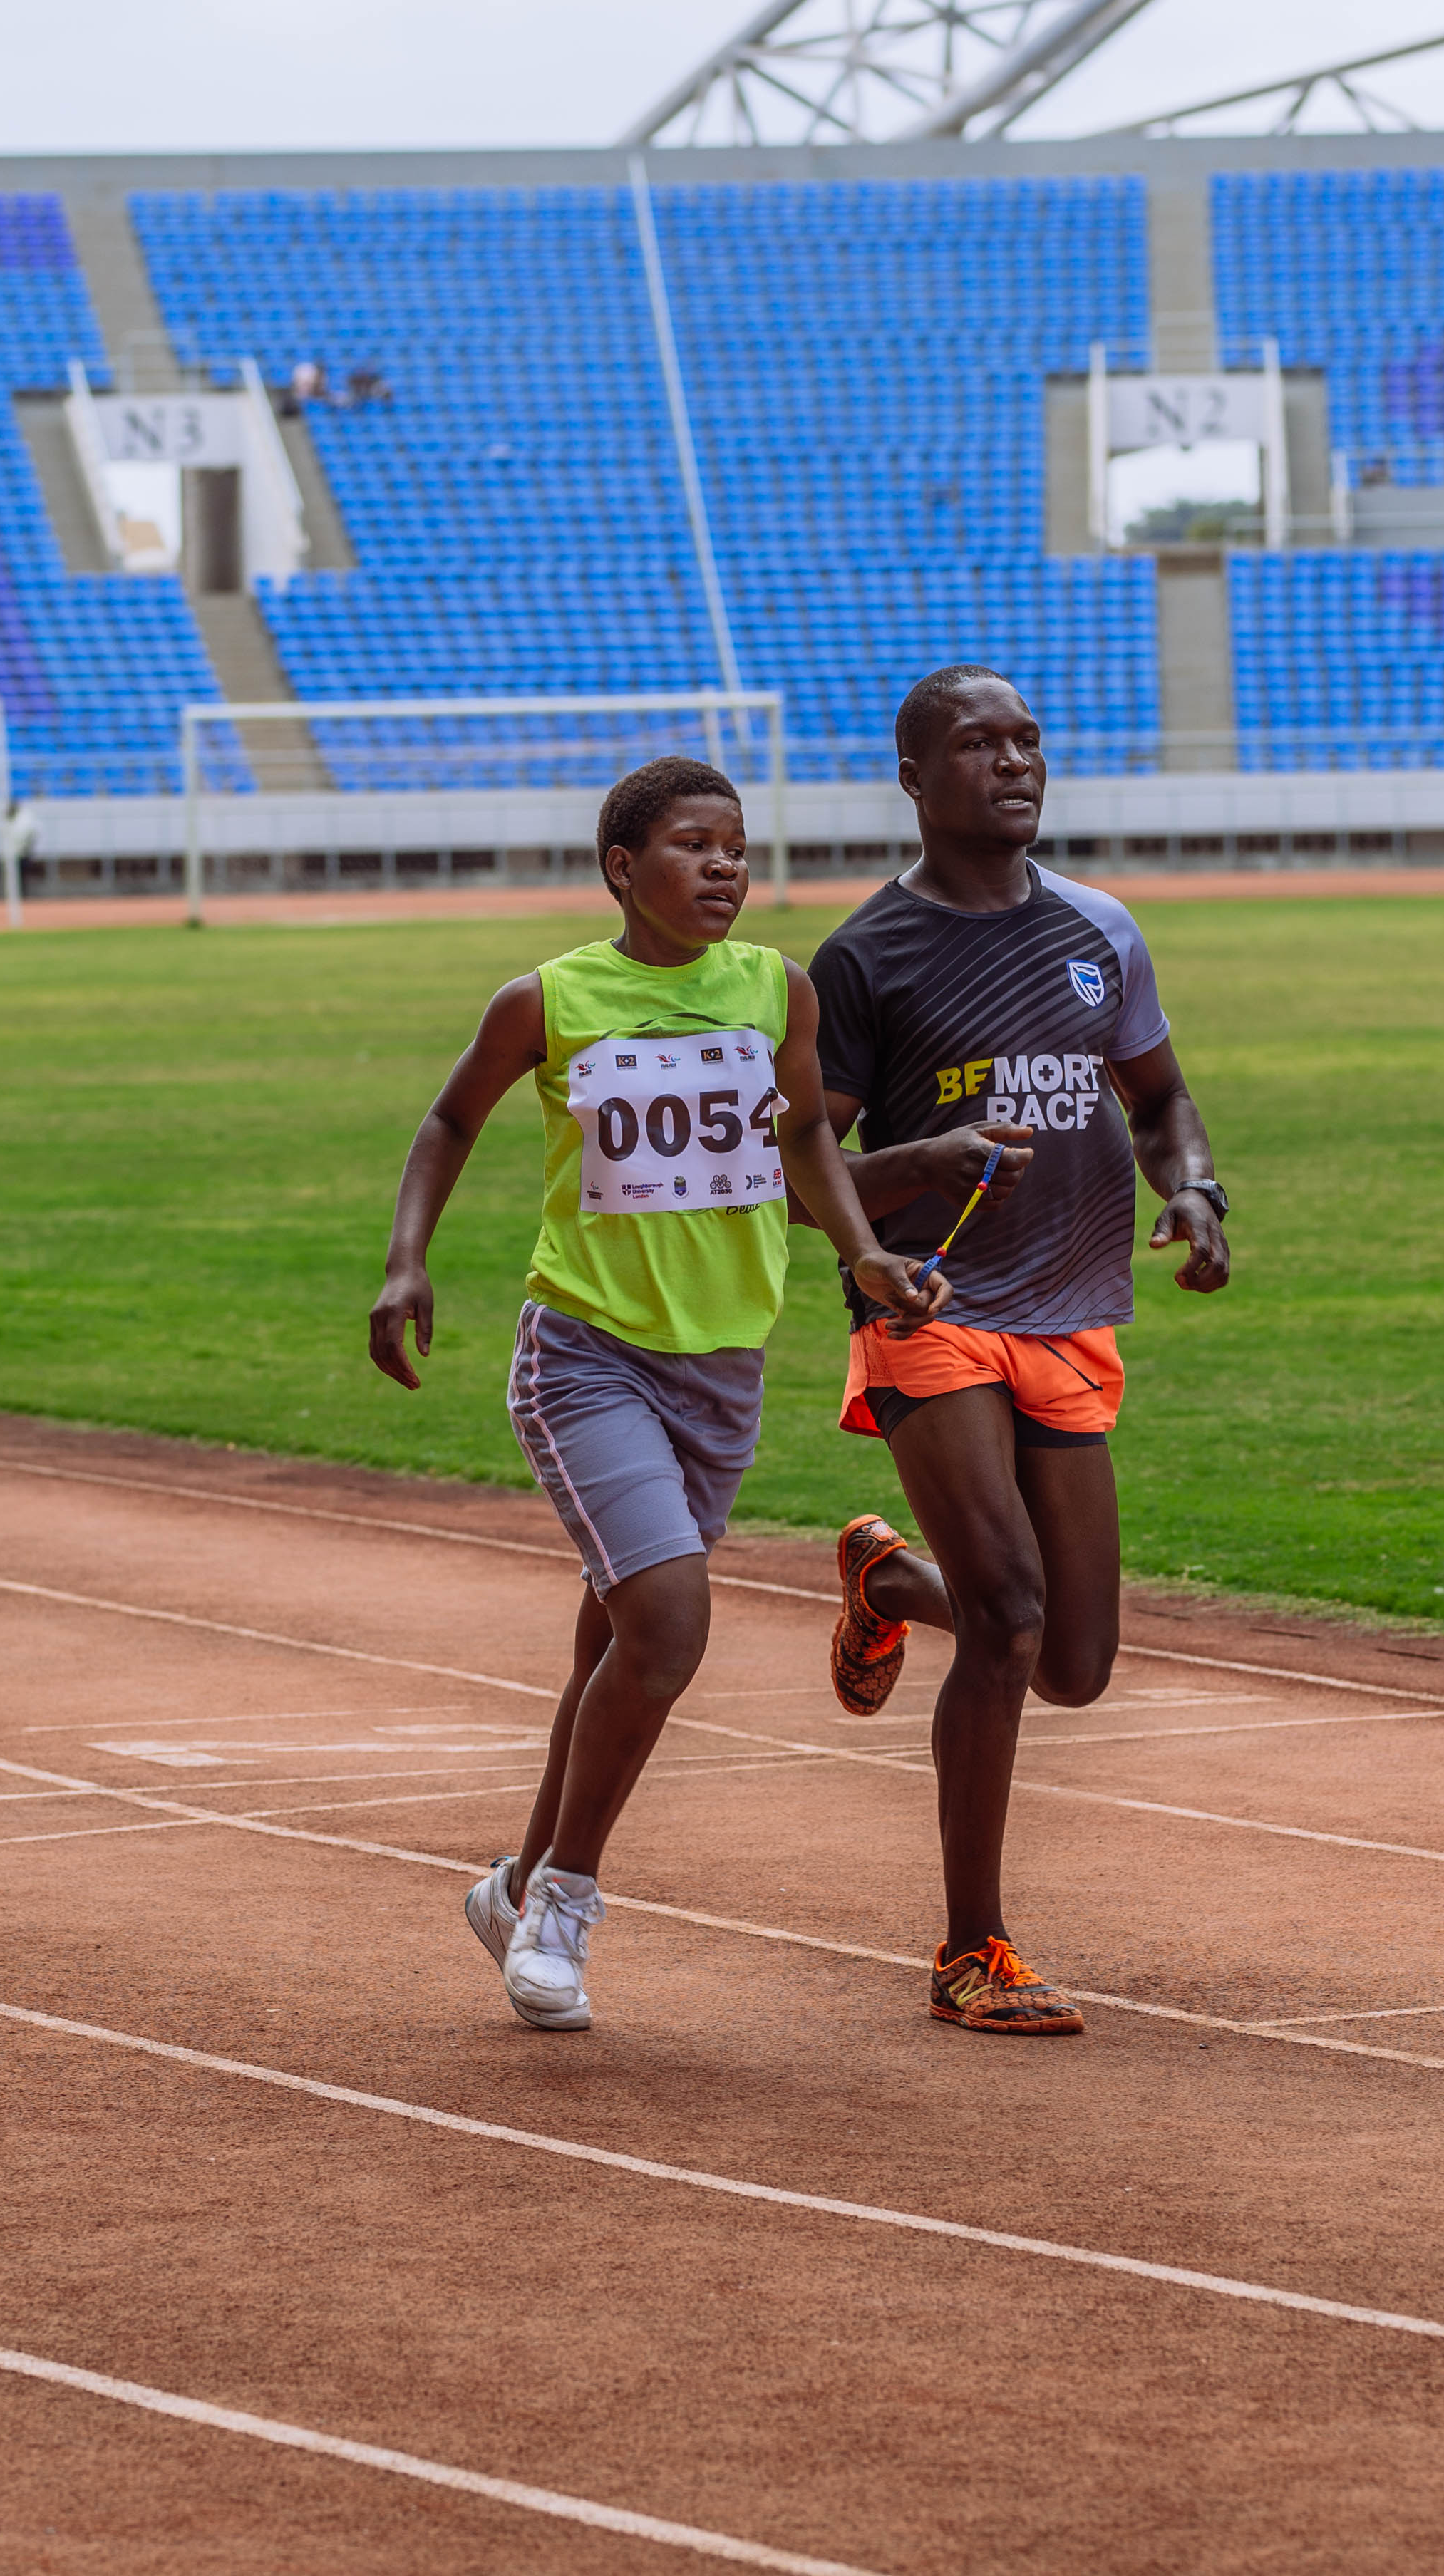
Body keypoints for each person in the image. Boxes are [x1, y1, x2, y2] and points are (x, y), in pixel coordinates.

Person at [368, 757, 938, 2032]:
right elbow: (450, 1122)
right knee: (670, 1625)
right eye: (695, 846)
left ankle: (514, 1886)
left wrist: (861, 1252)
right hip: (588, 1352)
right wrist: (408, 1261)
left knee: (615, 1639)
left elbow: (804, 1142)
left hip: (723, 1364)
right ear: (626, 869)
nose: (726, 867)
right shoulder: (551, 1001)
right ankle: (565, 1908)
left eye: (737, 847)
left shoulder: (774, 989)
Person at [804, 666, 1232, 2035]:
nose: (1014, 762)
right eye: (979, 745)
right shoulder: (868, 957)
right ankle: (970, 1949)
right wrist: (910, 1185)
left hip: (1071, 1304)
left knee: (1077, 1661)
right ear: (918, 781)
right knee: (1008, 1621)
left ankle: (885, 1578)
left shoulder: (1101, 933)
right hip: (930, 1310)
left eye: (1029, 740)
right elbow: (807, 1167)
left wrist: (1198, 1191)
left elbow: (1161, 1101)